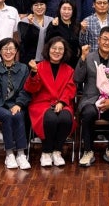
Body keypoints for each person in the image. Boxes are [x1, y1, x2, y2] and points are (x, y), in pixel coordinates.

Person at [75, 28, 109, 167]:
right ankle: (88, 151)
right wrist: (82, 58)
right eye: (104, 39)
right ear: (98, 40)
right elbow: (78, 79)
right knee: (88, 113)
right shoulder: (89, 57)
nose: (107, 42)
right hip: (90, 99)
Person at [24, 38, 77, 167]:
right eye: (54, 48)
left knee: (66, 118)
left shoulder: (69, 70)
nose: (57, 51)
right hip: (42, 103)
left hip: (62, 102)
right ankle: (46, 152)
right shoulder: (39, 67)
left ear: (65, 52)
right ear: (48, 49)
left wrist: (62, 102)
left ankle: (57, 151)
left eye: (60, 49)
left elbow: (70, 88)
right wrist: (33, 73)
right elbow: (31, 88)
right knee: (50, 118)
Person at [0, 37, 31, 170]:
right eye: (5, 49)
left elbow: (26, 90)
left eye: (11, 49)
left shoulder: (23, 68)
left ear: (16, 51)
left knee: (19, 114)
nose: (8, 52)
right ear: (0, 51)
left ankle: (21, 154)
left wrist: (19, 104)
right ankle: (9, 154)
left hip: (15, 103)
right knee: (7, 115)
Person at [16, 0, 53, 64]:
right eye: (36, 5)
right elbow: (24, 42)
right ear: (31, 7)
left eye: (41, 4)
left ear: (46, 6)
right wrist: (30, 25)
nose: (39, 7)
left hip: (47, 60)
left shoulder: (51, 21)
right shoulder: (24, 22)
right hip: (30, 60)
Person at [45, 0, 82, 67]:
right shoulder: (54, 24)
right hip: (58, 62)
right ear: (59, 9)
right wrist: (53, 27)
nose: (66, 12)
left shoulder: (77, 25)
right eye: (64, 9)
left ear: (73, 11)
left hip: (74, 63)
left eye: (69, 9)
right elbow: (47, 44)